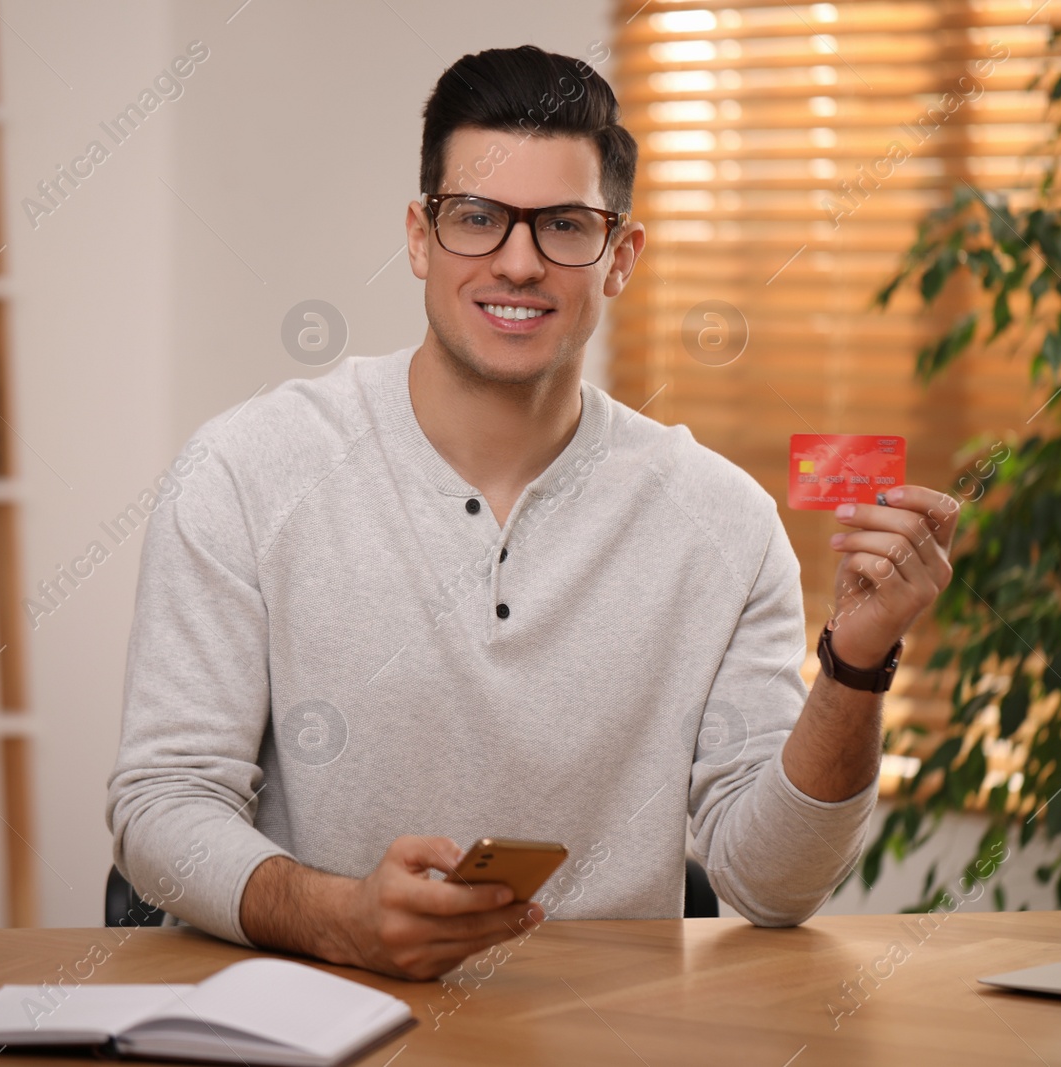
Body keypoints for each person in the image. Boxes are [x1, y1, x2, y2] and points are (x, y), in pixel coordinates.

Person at [107, 44, 956, 982]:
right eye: (476, 218)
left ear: (620, 257)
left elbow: (775, 884)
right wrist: (336, 918)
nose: (518, 263)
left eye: (562, 225)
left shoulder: (727, 522)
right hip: (325, 1022)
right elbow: (163, 805)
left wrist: (858, 660)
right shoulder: (243, 470)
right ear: (421, 238)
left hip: (607, 1036)